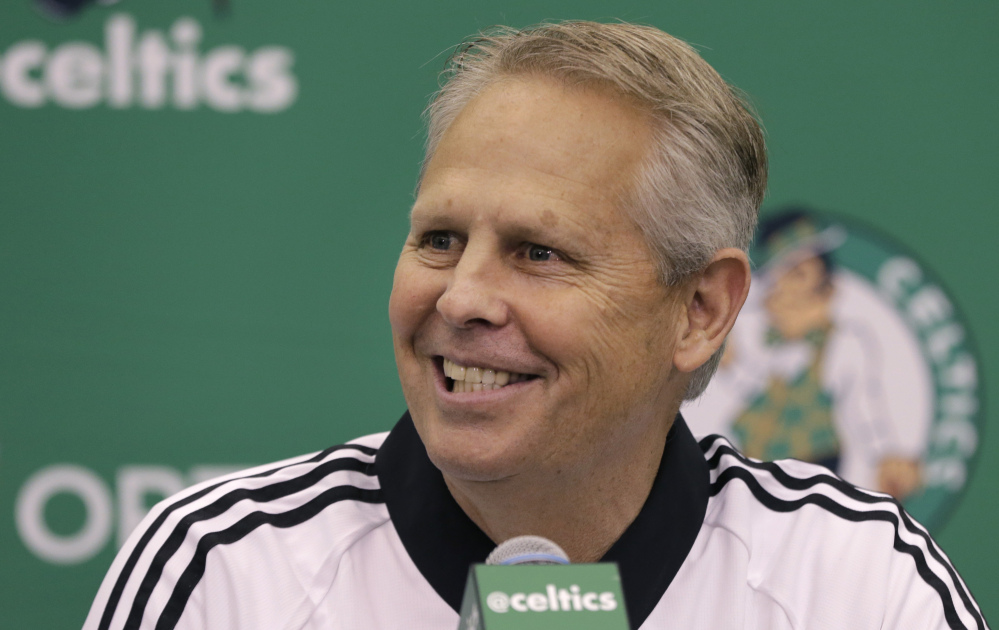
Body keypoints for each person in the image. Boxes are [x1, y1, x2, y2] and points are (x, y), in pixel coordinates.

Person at [84, 21, 986, 630]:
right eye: (439, 239)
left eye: (538, 252)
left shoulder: (857, 583)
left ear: (700, 310)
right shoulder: (223, 573)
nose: (462, 297)